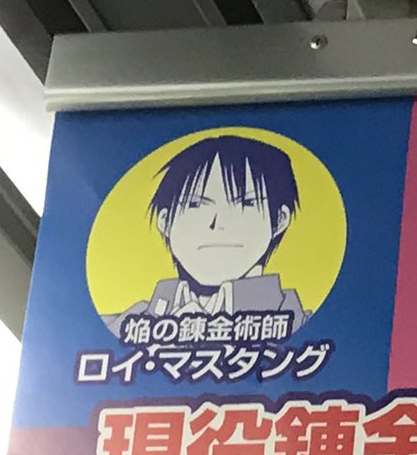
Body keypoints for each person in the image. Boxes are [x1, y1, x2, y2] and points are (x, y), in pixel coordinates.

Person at [104, 133, 308, 335]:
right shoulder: (121, 325)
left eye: (245, 203)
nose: (217, 223)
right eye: (195, 204)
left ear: (280, 220)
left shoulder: (300, 324)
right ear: (165, 222)